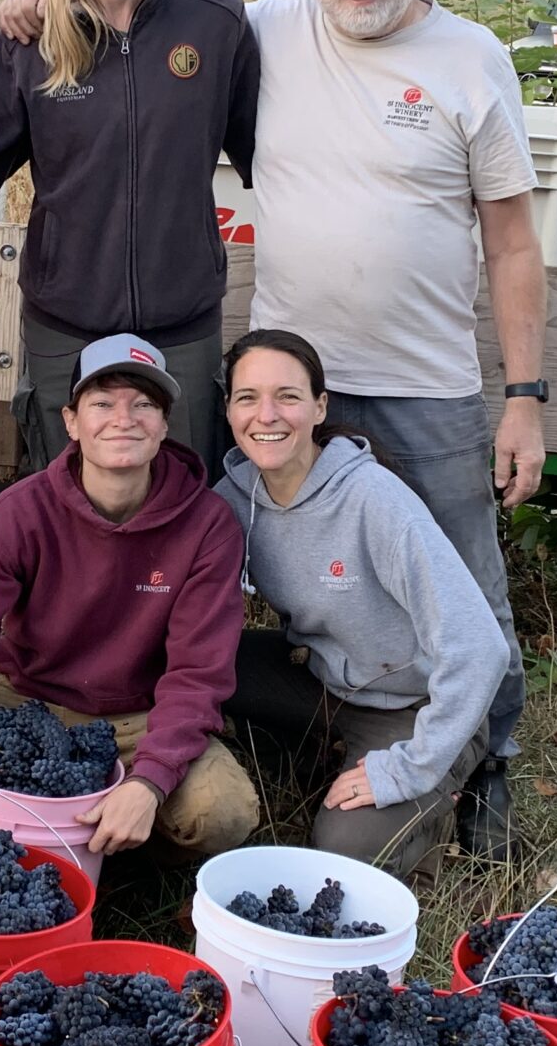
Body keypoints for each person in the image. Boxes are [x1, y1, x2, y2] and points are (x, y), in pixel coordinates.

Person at [0, 0, 546, 859]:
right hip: (284, 394)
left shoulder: (471, 59)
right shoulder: (264, 29)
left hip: (423, 383)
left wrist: (524, 396)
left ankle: (487, 768)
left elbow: (512, 240)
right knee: (237, 564)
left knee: (466, 585)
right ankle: (249, 730)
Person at [0, 333, 259, 857]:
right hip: (19, 698)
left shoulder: (208, 525)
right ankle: (54, 829)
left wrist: (149, 781)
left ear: (164, 424)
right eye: (102, 402)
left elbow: (198, 674)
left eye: (144, 404)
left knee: (222, 814)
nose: (123, 418)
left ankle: (114, 837)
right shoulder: (20, 513)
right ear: (71, 422)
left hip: (139, 715)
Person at [0, 0, 259, 474]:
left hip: (182, 325)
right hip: (65, 324)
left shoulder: (216, 22)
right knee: (68, 517)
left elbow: (268, 159)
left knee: (180, 510)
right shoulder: (30, 30)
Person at [217, 329, 510, 876]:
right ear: (229, 411)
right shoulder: (233, 500)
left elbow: (480, 647)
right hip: (325, 684)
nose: (268, 415)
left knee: (343, 856)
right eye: (248, 397)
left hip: (414, 706)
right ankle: (311, 762)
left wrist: (412, 769)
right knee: (206, 661)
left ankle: (436, 795)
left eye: (288, 396)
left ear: (319, 406)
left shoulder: (372, 499)